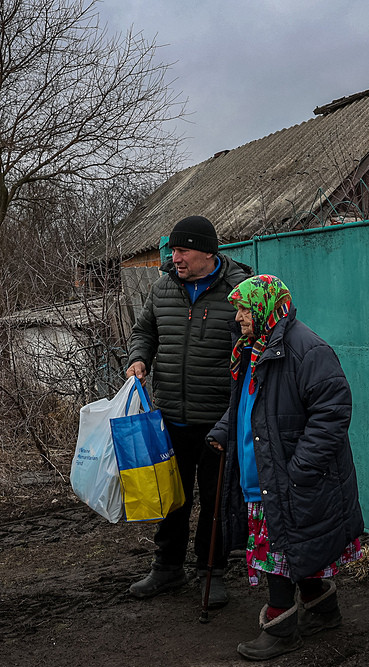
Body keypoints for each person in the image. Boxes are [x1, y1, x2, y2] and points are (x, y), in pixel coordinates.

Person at [207, 275, 364, 660]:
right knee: (295, 546)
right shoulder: (253, 348)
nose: (239, 317)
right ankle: (323, 611)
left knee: (277, 551)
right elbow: (247, 404)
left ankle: (281, 629)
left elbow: (332, 412)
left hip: (286, 475)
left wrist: (300, 468)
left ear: (265, 307)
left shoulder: (306, 350)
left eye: (244, 309)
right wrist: (225, 430)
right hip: (264, 472)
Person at [125, 215, 252, 606]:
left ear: (206, 252)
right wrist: (139, 358)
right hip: (169, 417)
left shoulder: (238, 290)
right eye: (174, 251)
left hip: (218, 420)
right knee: (172, 497)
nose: (174, 258)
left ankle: (212, 572)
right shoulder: (163, 287)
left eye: (182, 250)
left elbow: (256, 343)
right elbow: (144, 330)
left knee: (216, 500)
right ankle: (167, 568)